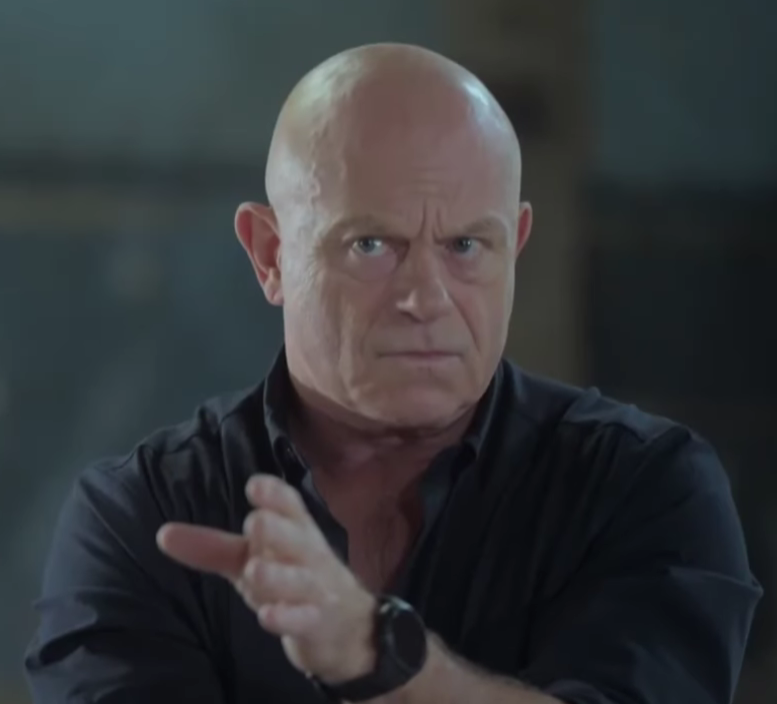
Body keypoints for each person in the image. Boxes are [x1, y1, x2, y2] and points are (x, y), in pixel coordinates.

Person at [25, 43, 761, 704]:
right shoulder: (146, 519)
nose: (425, 299)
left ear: (515, 245)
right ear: (270, 255)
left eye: (466, 246)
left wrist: (375, 655)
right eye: (371, 244)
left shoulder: (644, 489)